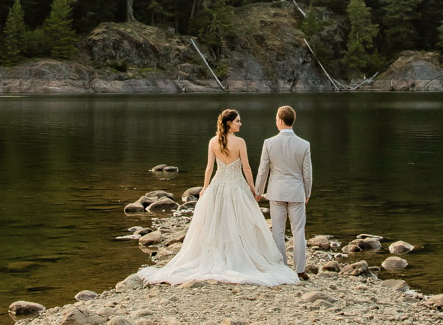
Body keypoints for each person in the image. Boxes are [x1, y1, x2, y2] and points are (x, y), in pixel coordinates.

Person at [134, 108, 297, 286]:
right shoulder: (240, 142)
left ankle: (221, 253)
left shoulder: (213, 141)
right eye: (238, 121)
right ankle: (238, 254)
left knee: (217, 221)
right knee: (240, 221)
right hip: (236, 186)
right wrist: (253, 188)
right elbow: (247, 168)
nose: (240, 124)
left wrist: (205, 187)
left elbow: (209, 168)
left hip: (218, 185)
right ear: (229, 123)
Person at [256, 105, 312, 276]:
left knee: (278, 232)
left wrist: (258, 190)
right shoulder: (304, 144)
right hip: (296, 192)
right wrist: (307, 193)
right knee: (298, 232)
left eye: (276, 119)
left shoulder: (269, 143)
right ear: (292, 121)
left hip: (276, 192)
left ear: (280, 121)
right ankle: (300, 270)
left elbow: (263, 170)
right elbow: (307, 173)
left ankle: (282, 268)